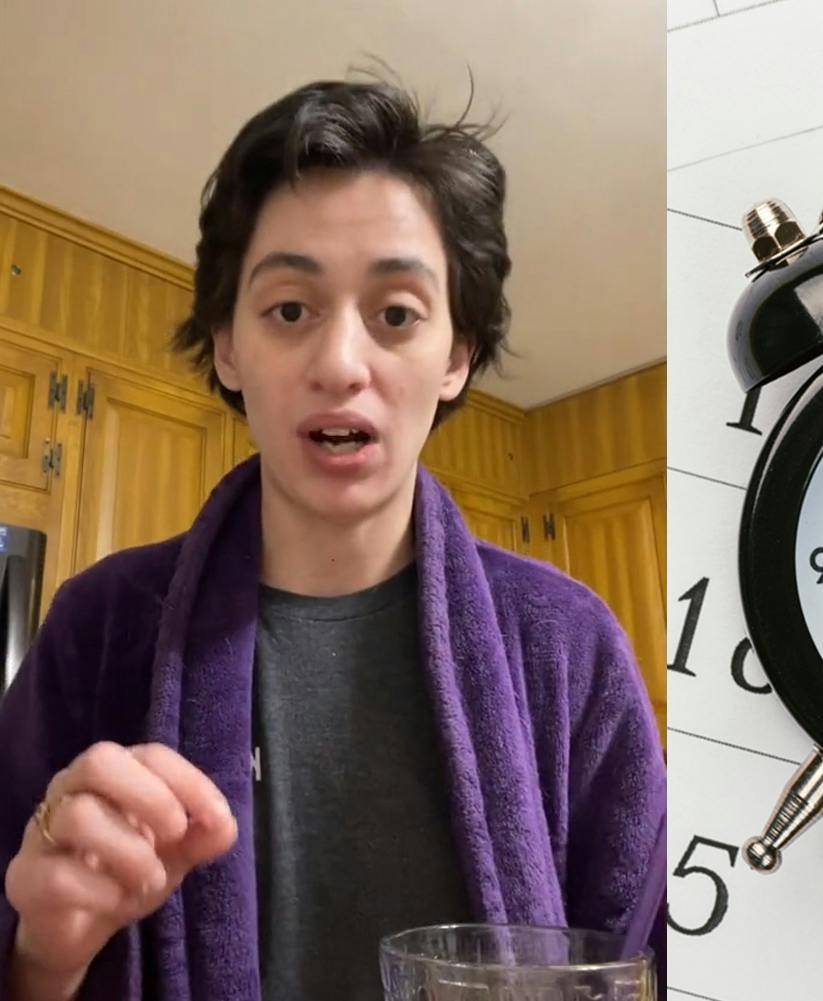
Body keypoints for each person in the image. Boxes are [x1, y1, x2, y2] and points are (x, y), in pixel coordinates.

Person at [0, 78, 668, 999]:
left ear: (457, 356)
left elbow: (651, 962)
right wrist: (44, 952)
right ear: (228, 346)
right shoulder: (100, 626)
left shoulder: (568, 644)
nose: (341, 364)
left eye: (396, 314)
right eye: (289, 310)